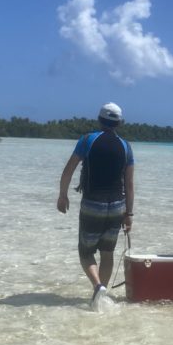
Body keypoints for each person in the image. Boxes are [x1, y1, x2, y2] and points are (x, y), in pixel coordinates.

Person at [57, 102, 134, 307]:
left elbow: (68, 171)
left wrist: (63, 195)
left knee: (86, 252)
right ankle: (101, 296)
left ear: (100, 120)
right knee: (107, 253)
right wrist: (129, 214)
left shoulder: (88, 140)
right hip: (117, 205)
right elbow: (130, 184)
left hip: (93, 204)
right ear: (119, 123)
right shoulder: (126, 147)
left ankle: (98, 286)